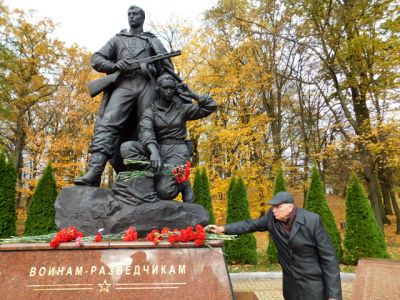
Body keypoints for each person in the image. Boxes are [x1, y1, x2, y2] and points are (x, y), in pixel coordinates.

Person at [75, 5, 176, 186]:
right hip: (124, 85)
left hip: (148, 86)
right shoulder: (118, 39)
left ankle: (148, 176)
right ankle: (94, 172)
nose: (131, 17)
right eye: (129, 14)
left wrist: (151, 68)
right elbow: (96, 59)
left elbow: (166, 68)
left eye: (135, 14)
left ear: (142, 18)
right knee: (108, 124)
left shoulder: (151, 40)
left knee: (148, 127)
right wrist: (115, 66)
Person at [208, 191, 342, 300]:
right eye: (273, 206)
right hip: (291, 284)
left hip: (313, 283)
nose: (274, 210)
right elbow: (249, 224)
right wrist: (223, 229)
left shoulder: (312, 221)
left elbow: (329, 258)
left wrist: (334, 295)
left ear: (290, 207)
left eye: (278, 207)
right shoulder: (271, 220)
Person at [119, 74, 217, 202]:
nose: (169, 91)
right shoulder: (150, 111)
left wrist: (193, 95)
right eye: (165, 88)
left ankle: (183, 183)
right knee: (126, 148)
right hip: (157, 148)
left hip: (177, 151)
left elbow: (211, 106)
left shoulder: (182, 109)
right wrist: (153, 151)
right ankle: (154, 176)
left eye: (171, 88)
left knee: (165, 192)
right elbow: (146, 131)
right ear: (158, 89)